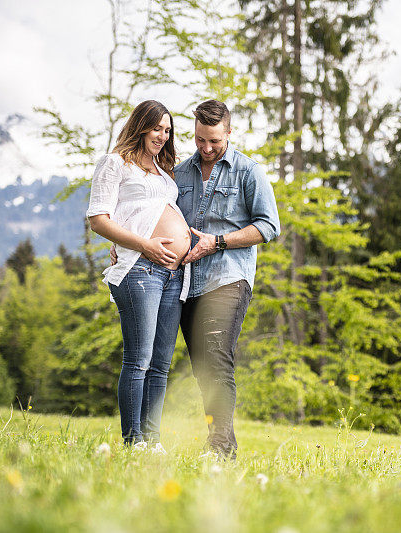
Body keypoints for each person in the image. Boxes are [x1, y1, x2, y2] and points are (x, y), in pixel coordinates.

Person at [114, 99, 281, 460]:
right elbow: (151, 209)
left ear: (229, 133)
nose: (206, 148)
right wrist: (124, 243)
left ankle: (221, 448)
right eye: (200, 140)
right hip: (185, 282)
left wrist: (216, 242)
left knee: (215, 356)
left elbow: (269, 226)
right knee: (199, 365)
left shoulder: (248, 172)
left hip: (228, 276)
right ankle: (206, 442)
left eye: (214, 142)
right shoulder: (180, 172)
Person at [87, 100, 192, 452]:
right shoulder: (115, 163)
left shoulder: (164, 173)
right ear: (141, 126)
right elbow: (99, 218)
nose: (162, 136)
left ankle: (152, 441)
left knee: (161, 363)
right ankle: (134, 442)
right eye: (156, 128)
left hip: (174, 274)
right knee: (139, 359)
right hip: (140, 269)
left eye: (167, 130)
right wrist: (143, 244)